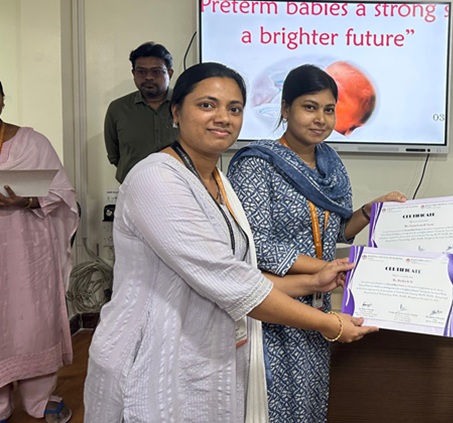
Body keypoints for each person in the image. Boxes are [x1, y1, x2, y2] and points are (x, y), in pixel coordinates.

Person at [83, 62, 377, 423]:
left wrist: (314, 281)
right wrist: (329, 324)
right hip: (152, 354)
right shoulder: (156, 179)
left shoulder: (219, 183)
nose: (223, 117)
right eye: (207, 105)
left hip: (209, 352)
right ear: (176, 112)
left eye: (234, 108)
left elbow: (238, 272)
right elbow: (232, 282)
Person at [227, 64, 406, 423]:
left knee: (308, 406)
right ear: (285, 108)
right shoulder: (255, 164)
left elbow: (335, 232)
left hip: (319, 307)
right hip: (271, 306)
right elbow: (257, 244)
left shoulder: (330, 164)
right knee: (271, 406)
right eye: (309, 107)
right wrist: (326, 268)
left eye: (328, 109)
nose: (320, 119)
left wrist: (370, 211)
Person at [0, 80, 78, 423]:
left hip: (27, 250)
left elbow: (63, 192)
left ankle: (38, 399)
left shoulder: (33, 142)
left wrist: (27, 200)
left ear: (2, 99)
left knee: (31, 319)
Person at [104, 41, 178, 183]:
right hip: (133, 187)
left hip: (180, 187)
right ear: (133, 73)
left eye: (156, 71)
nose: (148, 77)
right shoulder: (118, 108)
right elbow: (115, 156)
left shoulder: (185, 106)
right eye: (141, 72)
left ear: (170, 73)